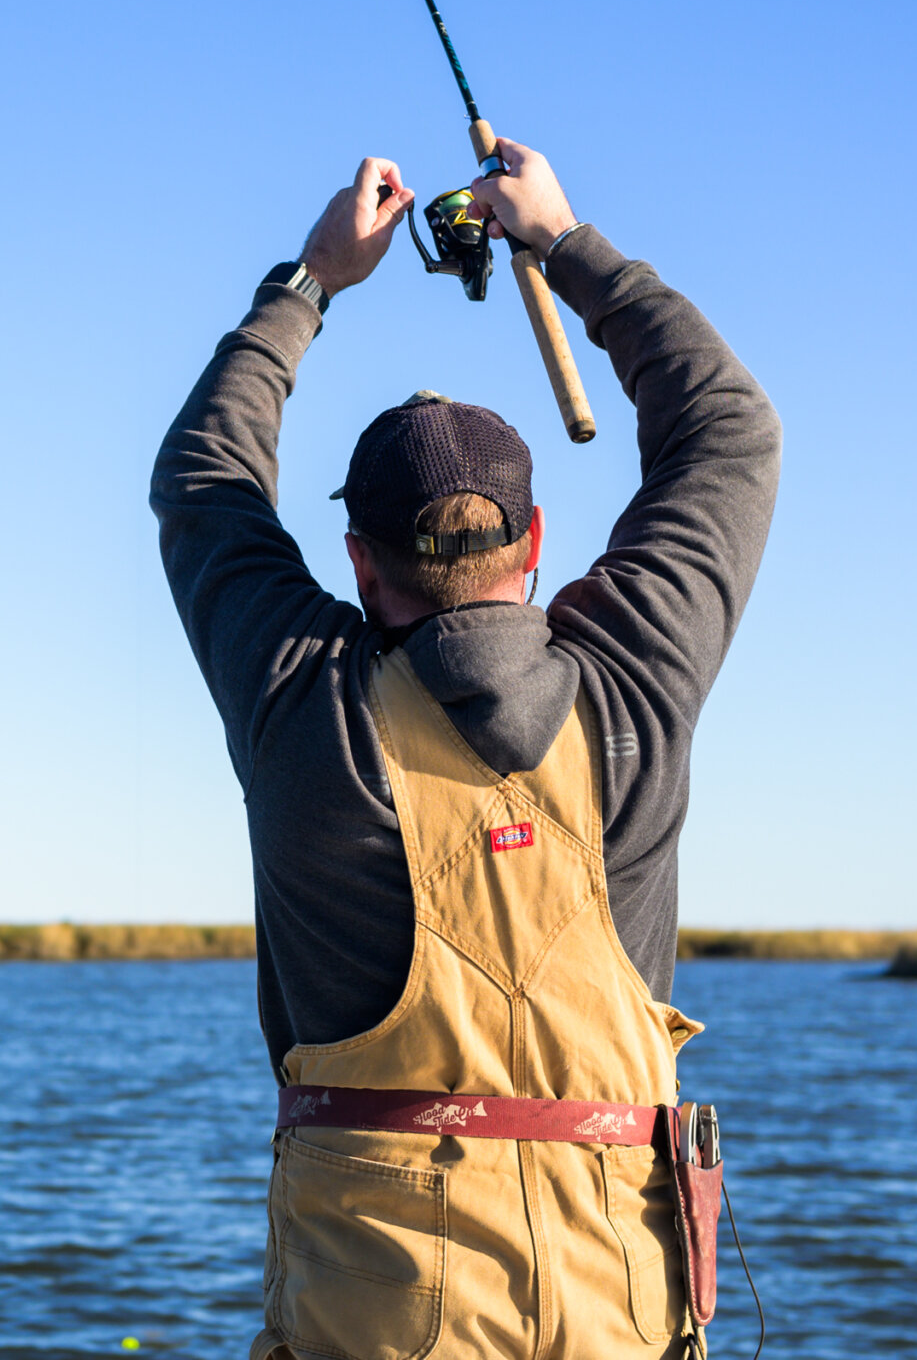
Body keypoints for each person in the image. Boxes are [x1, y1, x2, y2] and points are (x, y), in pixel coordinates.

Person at [151, 142, 780, 1360]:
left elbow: (205, 478)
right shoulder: (635, 680)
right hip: (621, 1310)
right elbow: (727, 433)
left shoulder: (302, 700)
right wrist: (567, 243)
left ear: (357, 561)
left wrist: (312, 281)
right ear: (536, 539)